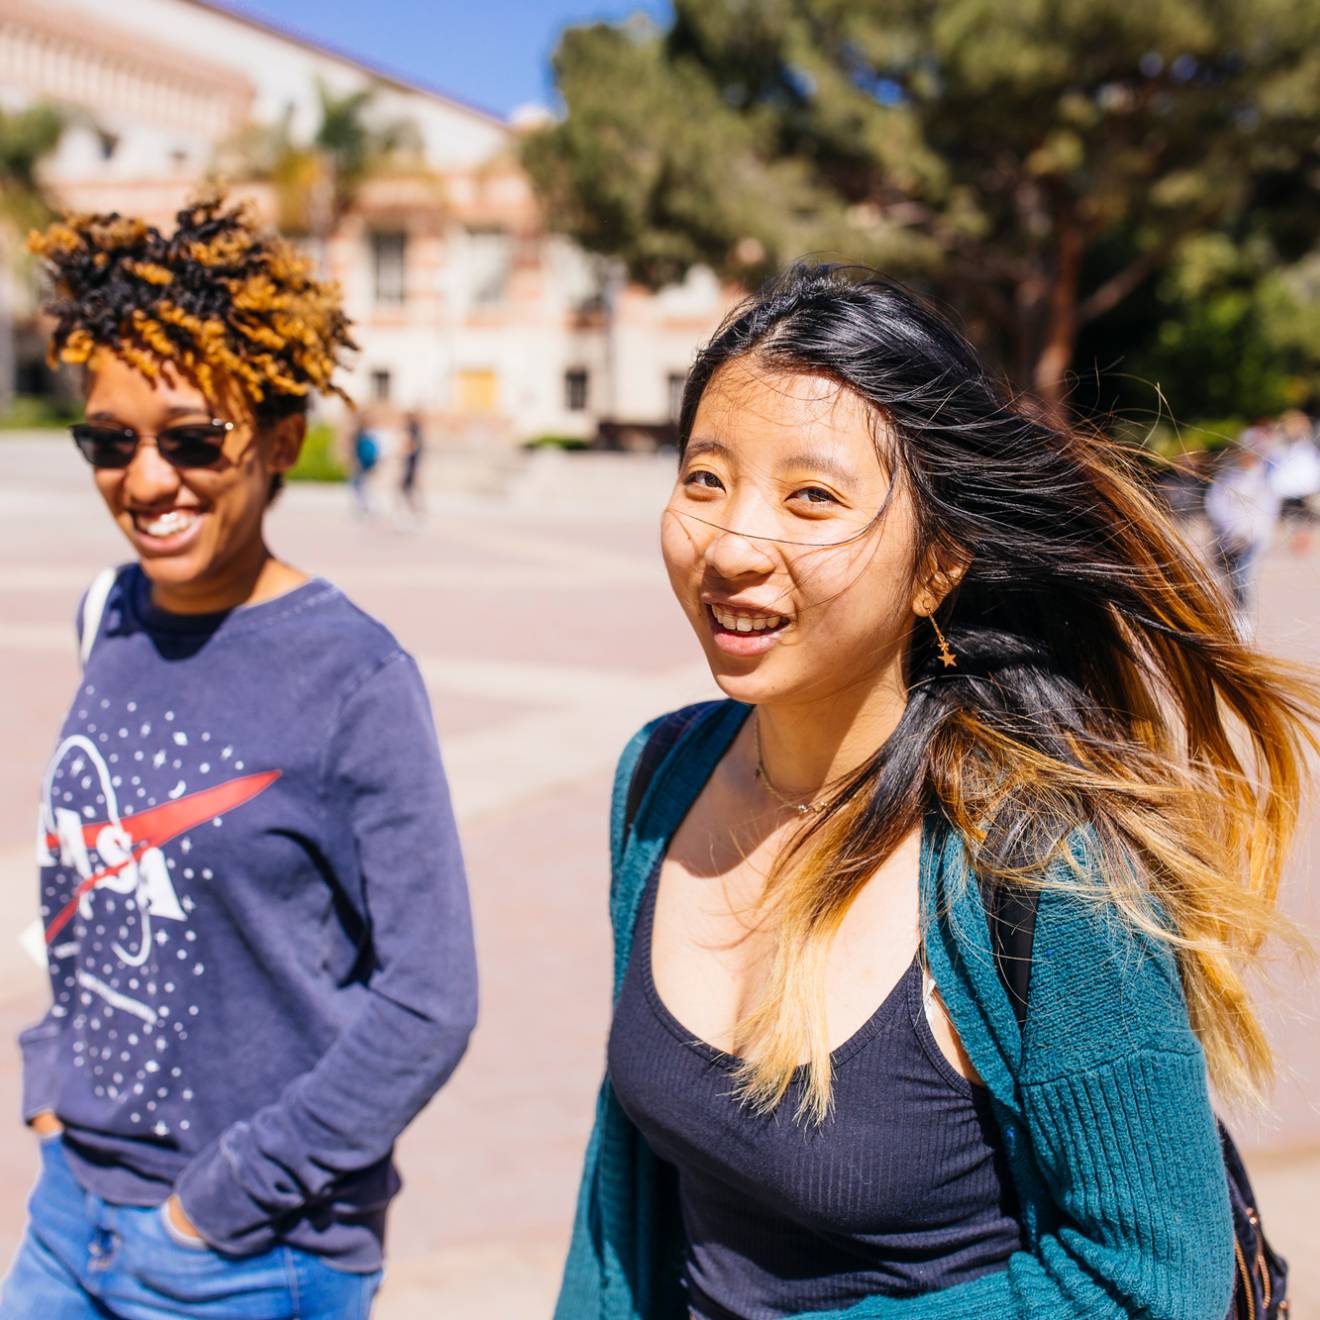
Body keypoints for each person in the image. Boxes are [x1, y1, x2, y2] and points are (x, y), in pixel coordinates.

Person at [557, 266, 1315, 1319]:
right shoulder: (660, 771)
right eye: (704, 478)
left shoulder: (1040, 864)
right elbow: (628, 1179)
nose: (731, 546)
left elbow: (1151, 1277)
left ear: (936, 565)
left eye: (811, 496)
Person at [4, 196, 478, 1319]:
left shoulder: (355, 679)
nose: (146, 480)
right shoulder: (109, 615)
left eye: (190, 438)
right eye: (110, 443)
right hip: (69, 1217)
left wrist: (218, 1204)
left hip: (241, 1257)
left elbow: (432, 999)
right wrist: (46, 1073)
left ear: (276, 440)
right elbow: (93, 874)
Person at [1204, 436, 1282, 636]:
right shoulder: (1227, 478)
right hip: (1227, 538)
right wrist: (1229, 529)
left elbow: (1267, 512)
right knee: (1224, 577)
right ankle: (1227, 614)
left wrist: (1251, 533)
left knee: (1242, 577)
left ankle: (1242, 618)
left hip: (1251, 540)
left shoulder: (1264, 481)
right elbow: (1214, 504)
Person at [350, 413, 381, 516]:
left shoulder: (364, 435)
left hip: (364, 465)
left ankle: (366, 507)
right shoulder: (365, 435)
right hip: (365, 464)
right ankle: (365, 507)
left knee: (362, 486)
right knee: (361, 486)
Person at [397, 411, 425, 522]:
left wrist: (403, 452)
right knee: (407, 490)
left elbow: (410, 448)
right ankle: (415, 513)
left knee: (407, 490)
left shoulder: (413, 433)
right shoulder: (417, 433)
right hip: (411, 466)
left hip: (410, 467)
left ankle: (415, 514)